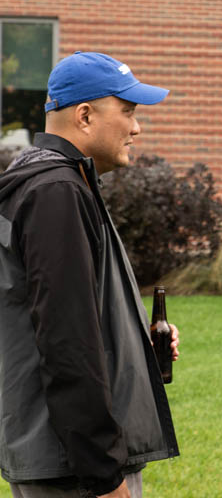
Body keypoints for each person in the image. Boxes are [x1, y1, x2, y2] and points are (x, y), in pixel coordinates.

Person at [0, 51, 179, 498]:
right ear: (84, 115)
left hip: (64, 458)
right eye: (129, 112)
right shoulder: (56, 192)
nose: (137, 128)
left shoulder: (53, 182)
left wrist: (136, 336)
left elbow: (66, 315)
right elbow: (67, 345)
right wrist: (103, 474)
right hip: (74, 470)